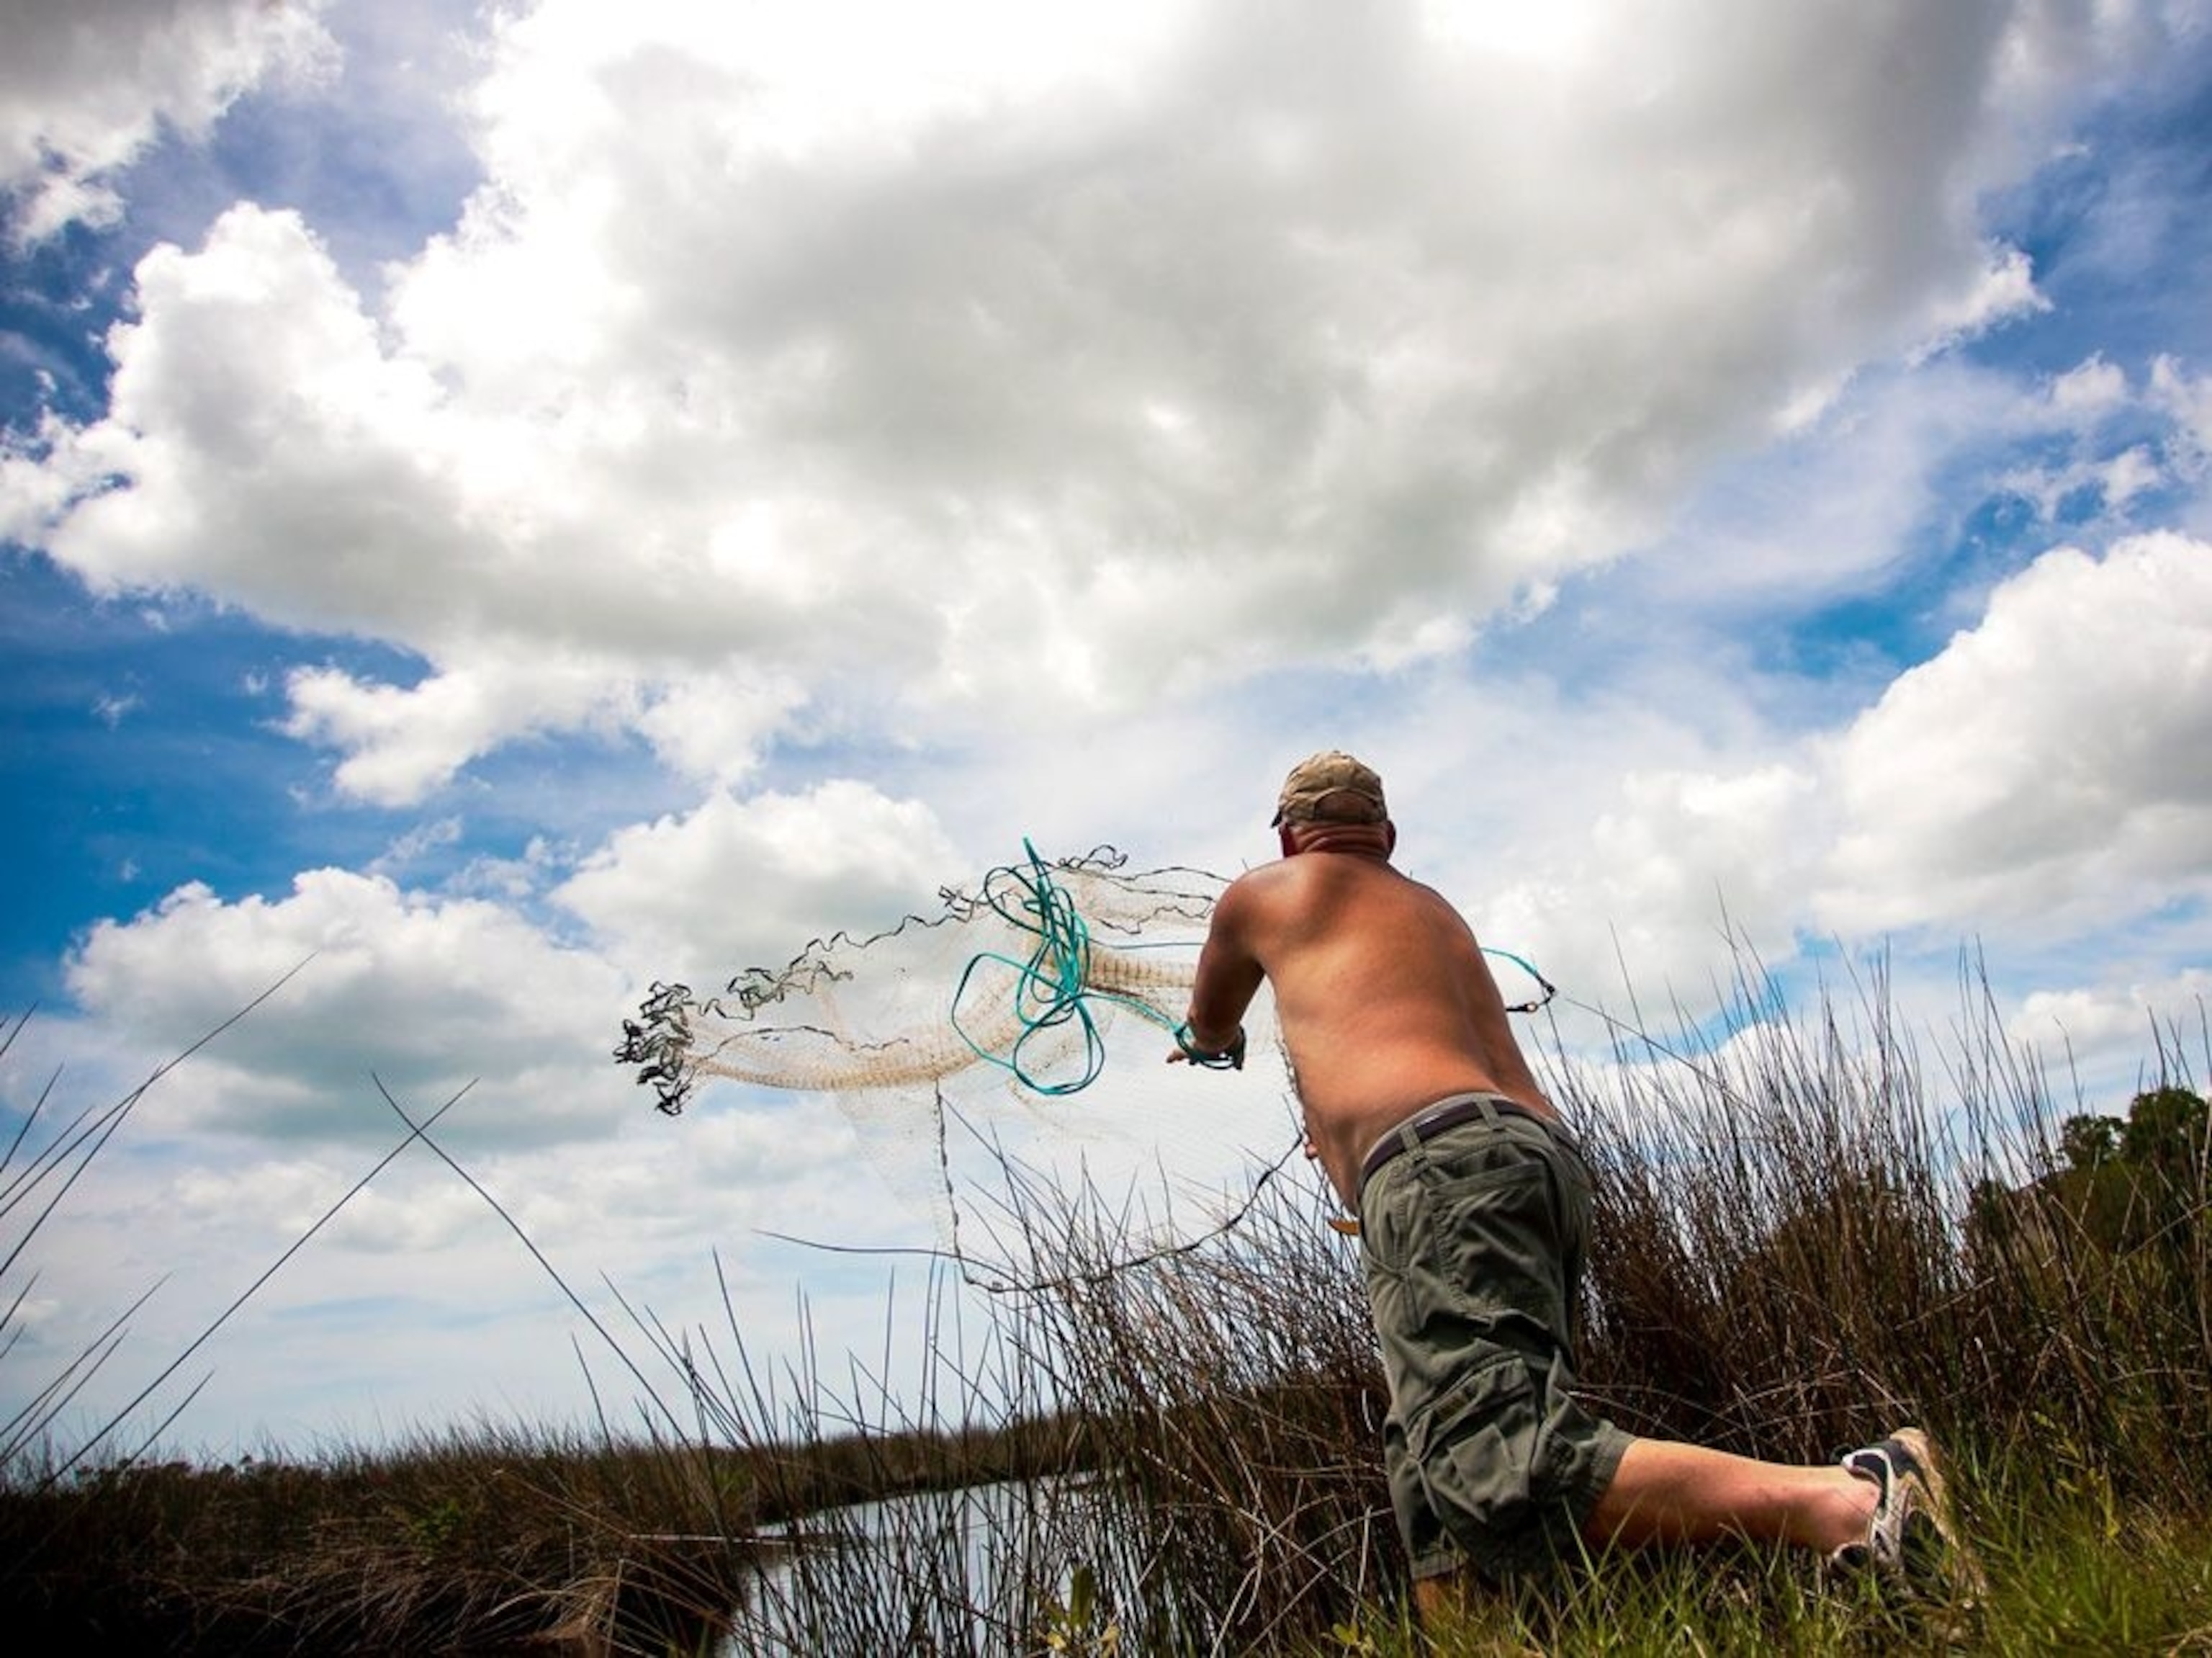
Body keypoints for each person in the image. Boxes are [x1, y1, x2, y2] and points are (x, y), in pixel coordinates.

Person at [1169, 749, 1965, 1607]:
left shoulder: (1263, 895)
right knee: (1432, 1456)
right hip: (1534, 1161)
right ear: (1386, 835)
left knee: (1504, 1455)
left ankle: (1849, 1499)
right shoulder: (1435, 911)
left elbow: (1211, 1023)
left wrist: (1211, 1041)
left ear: (1290, 836)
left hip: (1438, 1169)